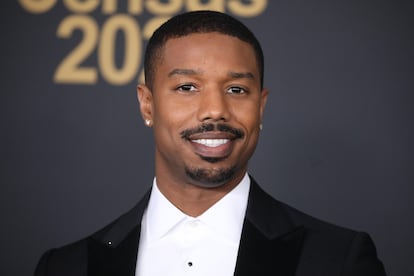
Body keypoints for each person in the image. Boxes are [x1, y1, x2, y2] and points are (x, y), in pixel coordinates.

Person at [35, 10, 386, 276]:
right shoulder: (67, 266)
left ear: (260, 106)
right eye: (187, 87)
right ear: (147, 104)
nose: (216, 109)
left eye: (237, 90)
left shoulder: (337, 259)